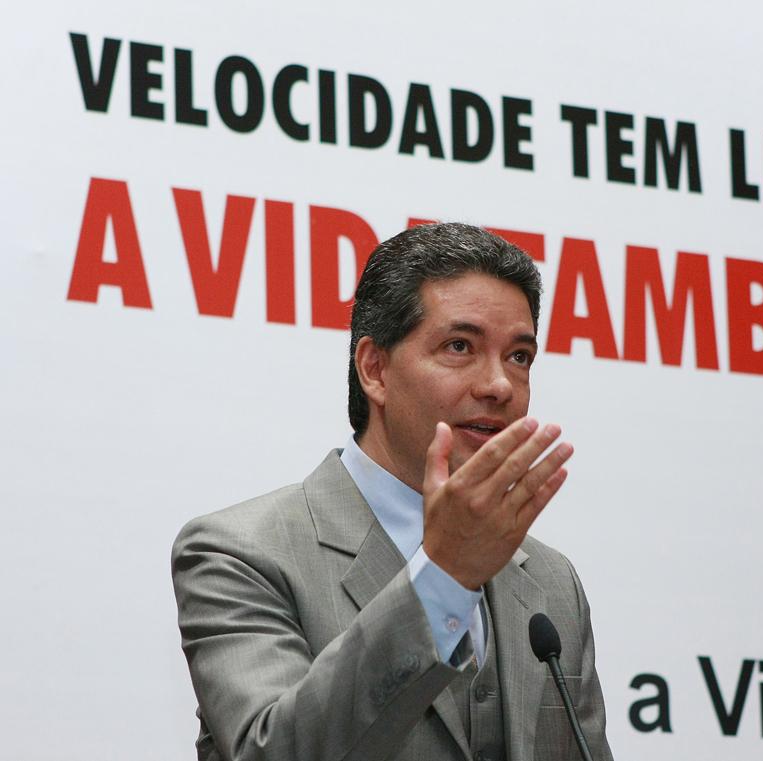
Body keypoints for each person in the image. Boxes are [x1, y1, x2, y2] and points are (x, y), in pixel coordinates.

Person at [171, 222, 614, 761]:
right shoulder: (240, 553)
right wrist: (444, 577)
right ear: (375, 370)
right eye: (460, 347)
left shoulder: (550, 580)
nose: (499, 385)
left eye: (519, 356)